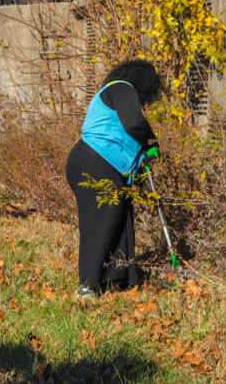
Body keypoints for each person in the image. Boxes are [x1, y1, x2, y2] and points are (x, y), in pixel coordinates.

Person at [66, 59, 161, 300]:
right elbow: (134, 123)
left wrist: (145, 179)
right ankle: (88, 285)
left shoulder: (121, 95)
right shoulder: (120, 88)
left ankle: (118, 279)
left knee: (119, 218)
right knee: (100, 223)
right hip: (93, 162)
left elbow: (128, 139)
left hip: (103, 165)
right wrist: (151, 140)